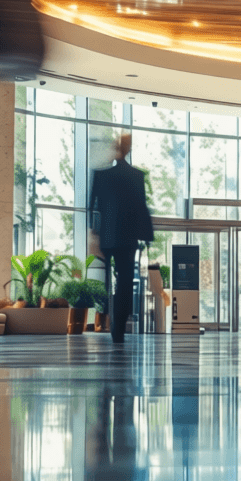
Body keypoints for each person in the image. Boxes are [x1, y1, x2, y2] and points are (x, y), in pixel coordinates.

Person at [90, 134, 155, 343]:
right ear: (128, 149)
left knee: (108, 282)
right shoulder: (136, 176)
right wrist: (147, 237)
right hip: (127, 240)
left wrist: (94, 234)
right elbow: (141, 209)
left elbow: (94, 208)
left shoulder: (101, 175)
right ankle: (118, 326)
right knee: (125, 283)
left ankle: (105, 318)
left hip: (108, 238)